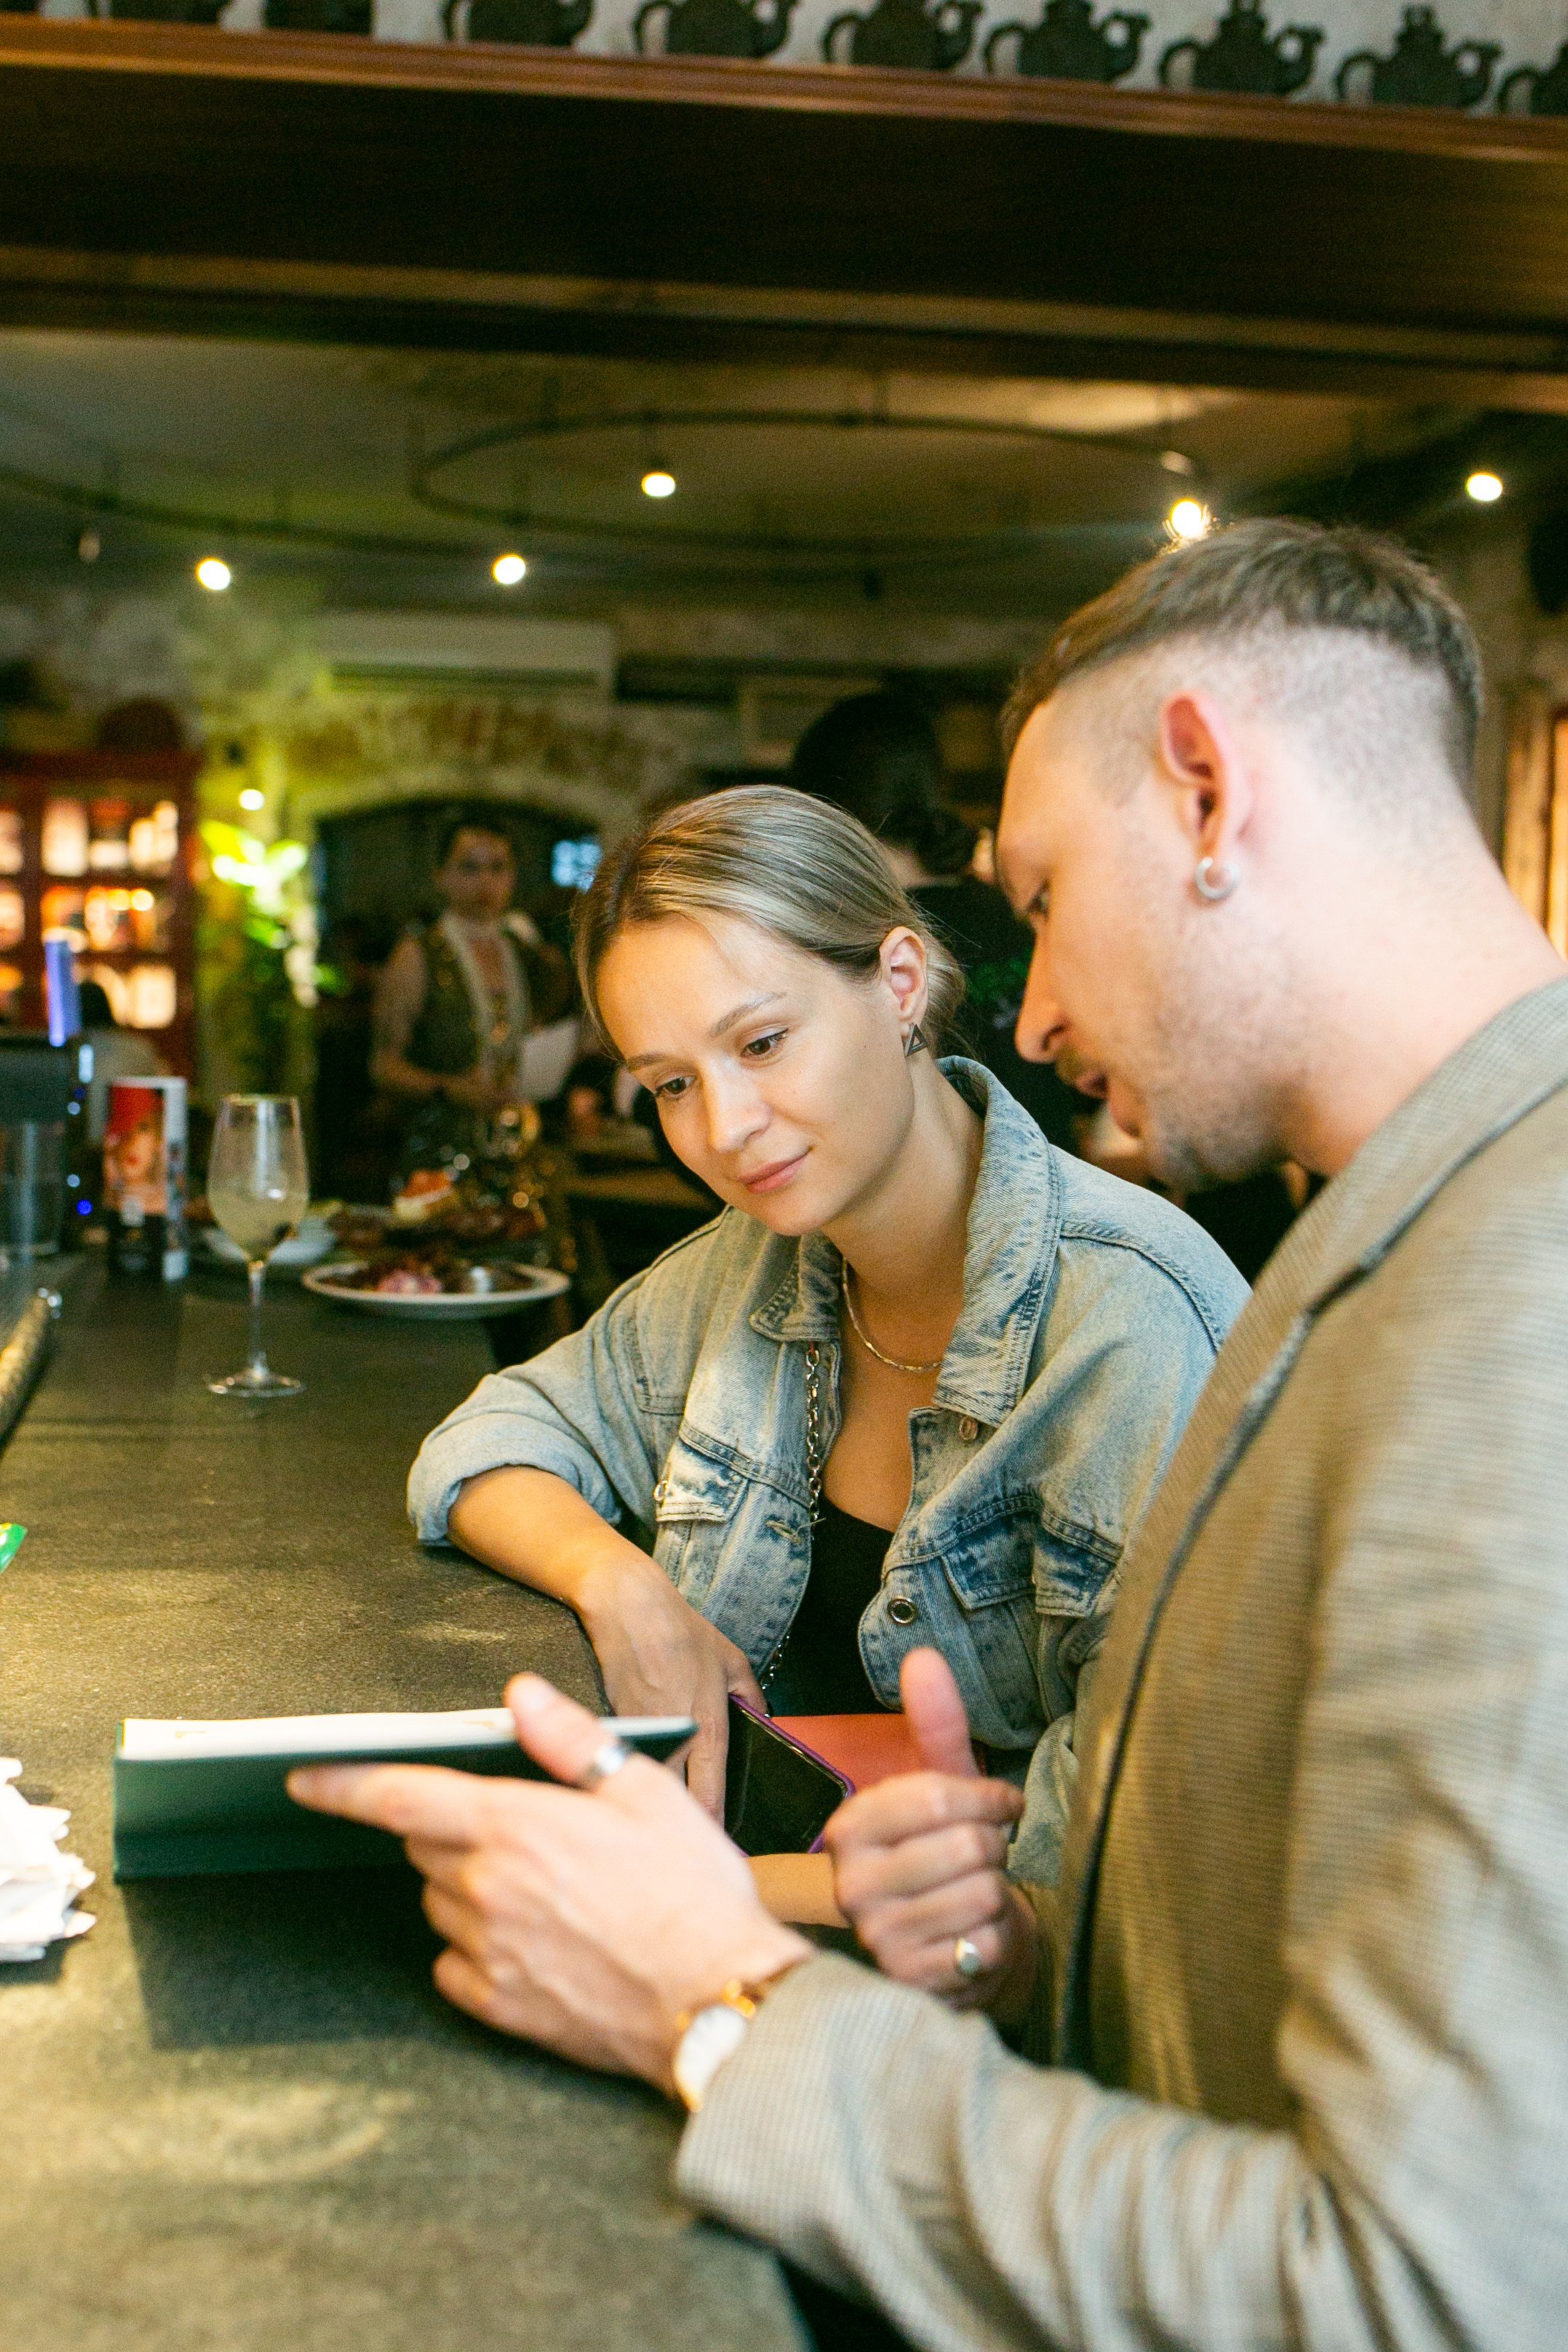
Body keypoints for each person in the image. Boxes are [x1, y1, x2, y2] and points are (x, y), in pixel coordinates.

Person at [294, 517, 1568, 2351]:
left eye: (1040, 892)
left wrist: (711, 1991)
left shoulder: (1503, 1317)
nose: (1030, 1002)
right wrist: (1009, 1924)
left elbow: (1424, 2292)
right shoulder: (1404, 1237)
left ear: (1204, 789)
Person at [404, 785, 1243, 1932]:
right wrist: (625, 1587)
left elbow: (1106, 1869)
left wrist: (654, 1894)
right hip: (733, 1952)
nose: (722, 1127)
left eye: (759, 1042)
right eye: (668, 1084)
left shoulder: (1128, 1322)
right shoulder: (747, 1267)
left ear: (900, 984)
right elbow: (485, 1444)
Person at [788, 691, 1086, 1152]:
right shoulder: (1008, 913)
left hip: (978, 1210)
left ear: (823, 813)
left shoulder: (869, 952)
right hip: (1059, 1185)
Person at [371, 817, 576, 1177]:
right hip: (440, 1153)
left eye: (498, 868)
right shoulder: (419, 954)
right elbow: (384, 1066)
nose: (485, 882)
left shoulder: (524, 952)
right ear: (441, 876)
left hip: (518, 1144)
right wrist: (451, 1089)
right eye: (469, 868)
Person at [76, 977, 166, 1144]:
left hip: (89, 1147)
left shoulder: (68, 1052)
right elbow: (161, 1095)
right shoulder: (138, 1048)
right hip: (129, 1143)